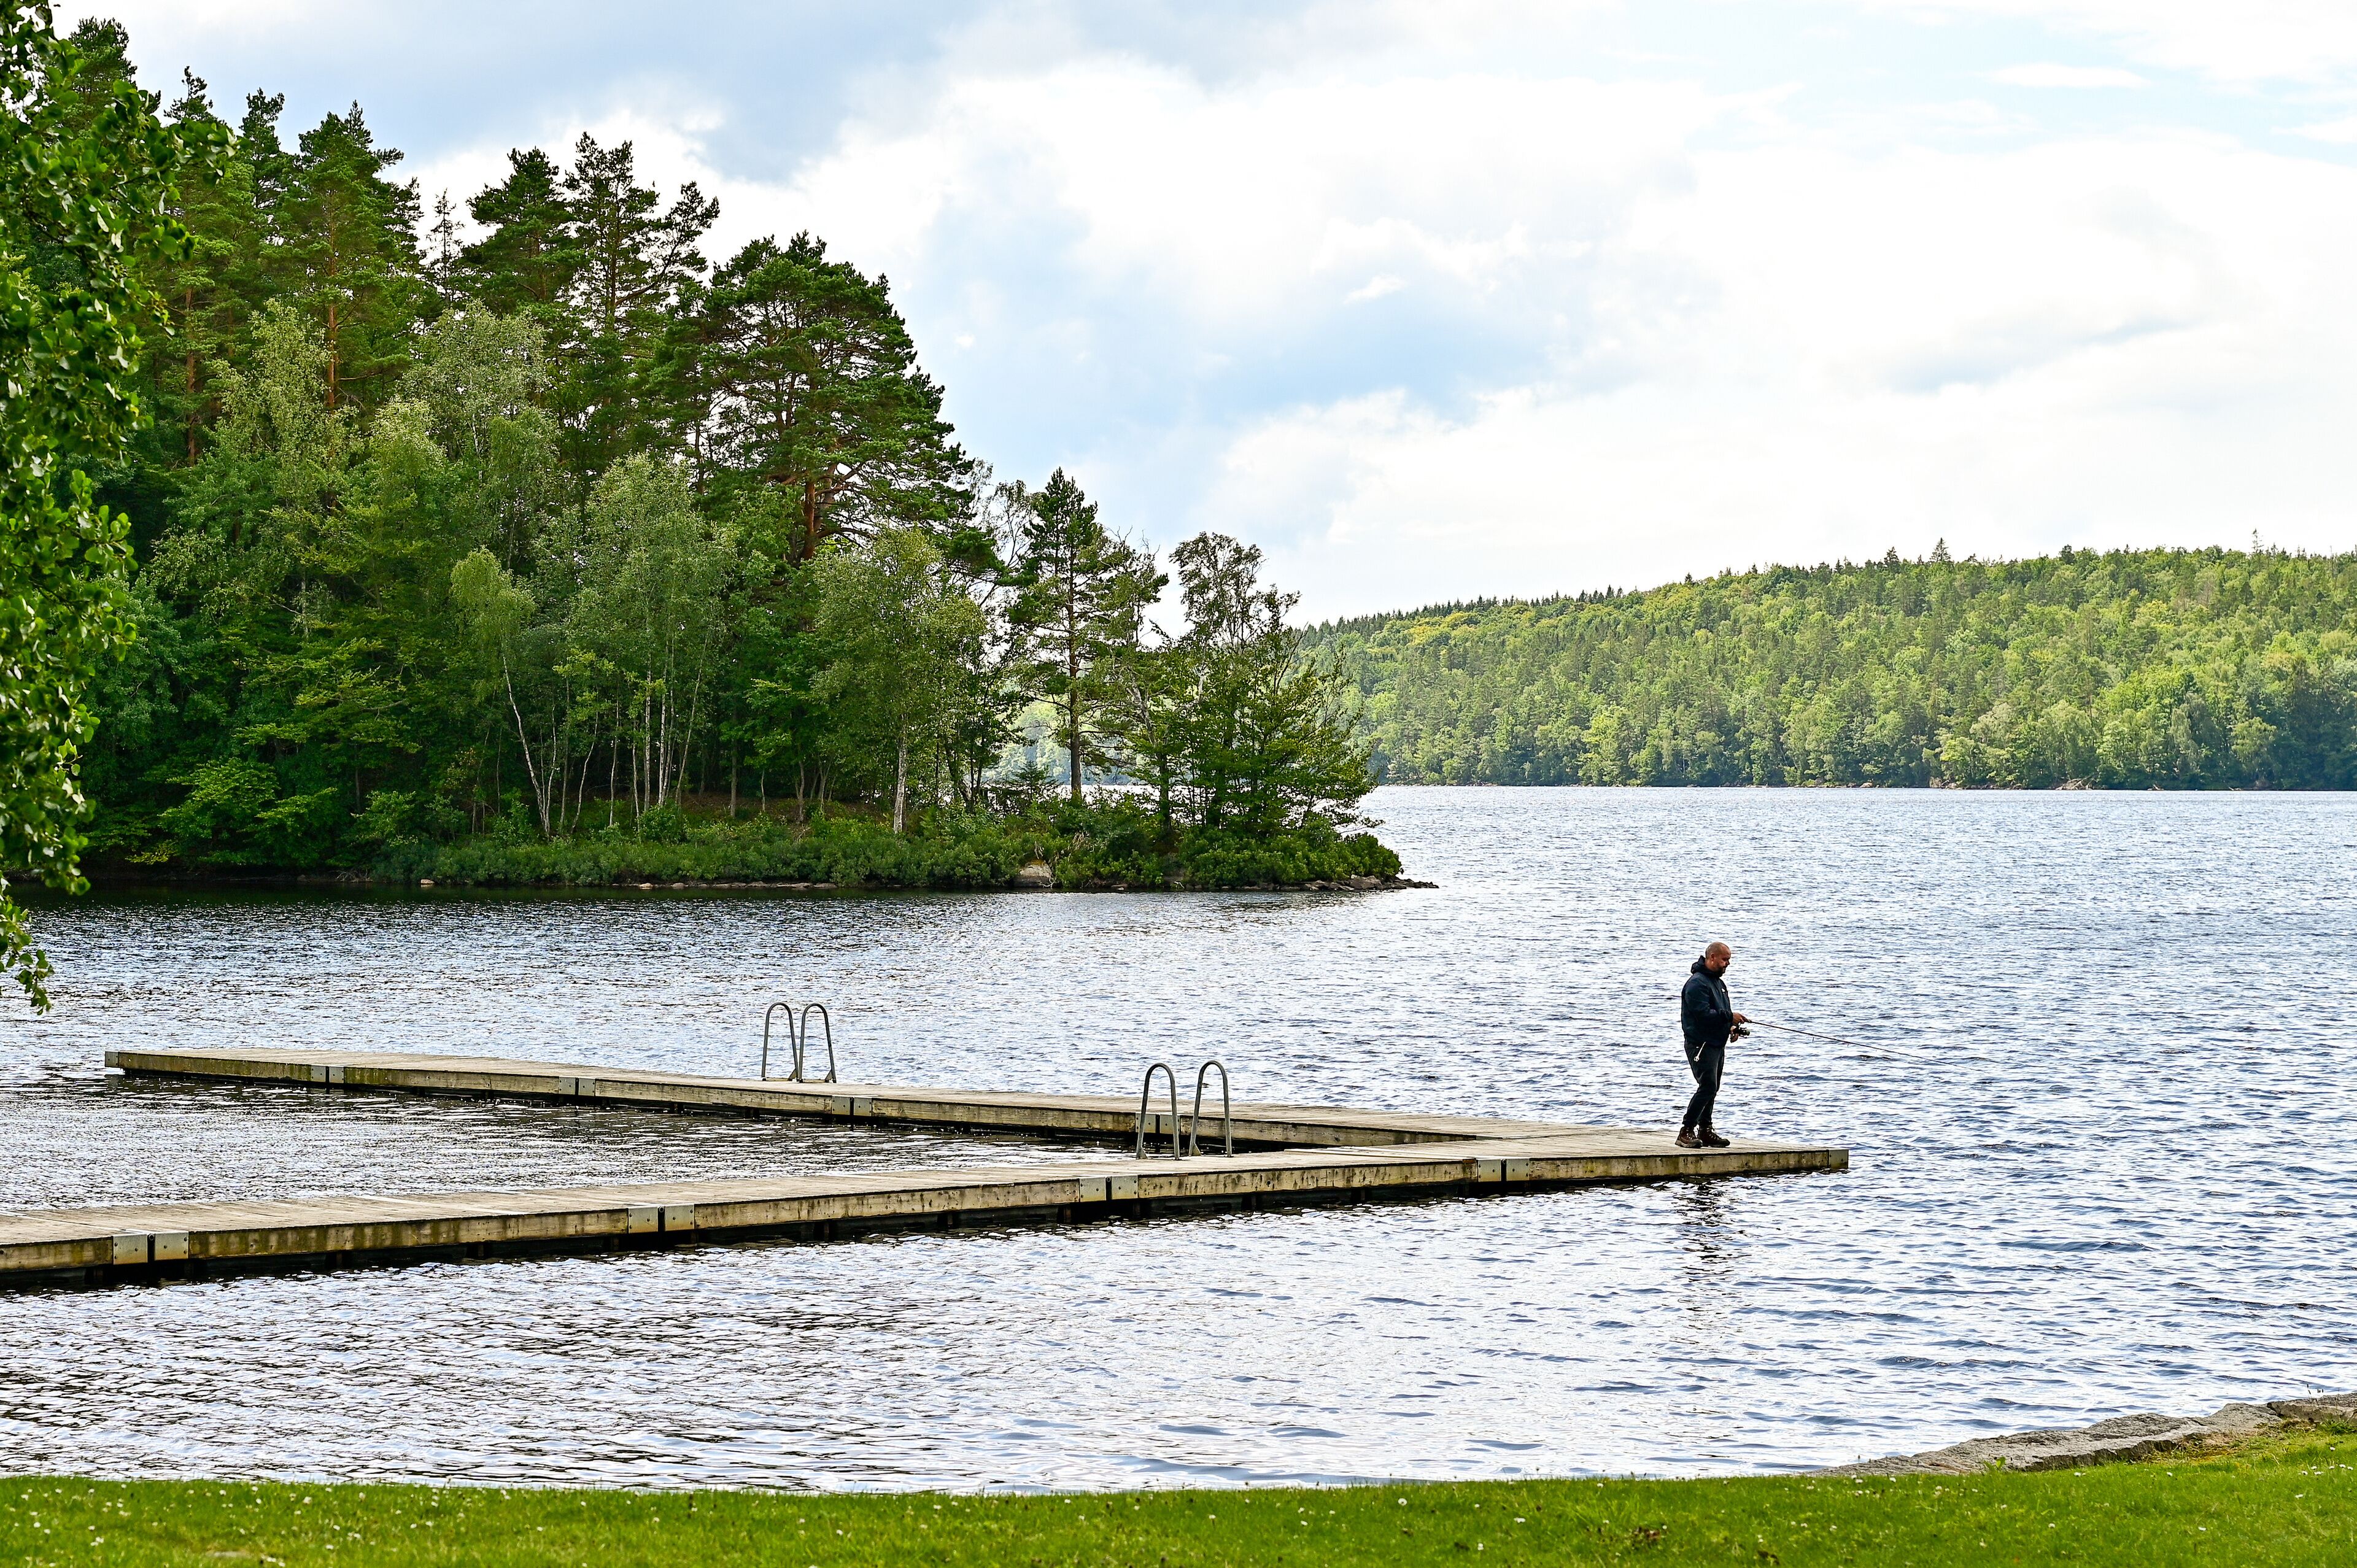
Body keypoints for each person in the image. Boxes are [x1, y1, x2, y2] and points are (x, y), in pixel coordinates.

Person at [1677, 941, 1746, 1148]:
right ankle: (1686, 1130)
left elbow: (1719, 1016)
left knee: (1712, 1088)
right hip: (1701, 1044)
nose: (1728, 964)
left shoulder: (1718, 984)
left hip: (1717, 1043)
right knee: (1707, 1087)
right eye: (1725, 960)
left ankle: (1705, 1130)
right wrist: (1730, 1017)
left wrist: (1731, 1028)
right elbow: (1702, 1015)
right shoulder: (1697, 984)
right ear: (1712, 957)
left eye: (1729, 960)